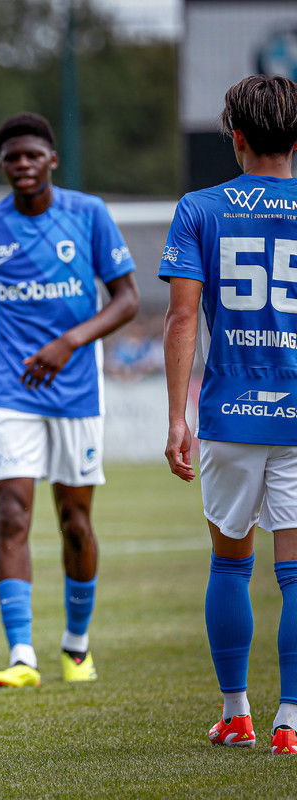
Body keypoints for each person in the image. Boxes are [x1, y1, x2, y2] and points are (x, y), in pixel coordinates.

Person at [0, 112, 139, 688]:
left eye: (33, 155)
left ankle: (77, 647)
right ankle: (21, 656)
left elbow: (128, 299)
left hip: (78, 393)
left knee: (75, 523)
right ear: (2, 165)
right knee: (12, 514)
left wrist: (70, 341)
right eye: (12, 157)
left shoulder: (88, 215)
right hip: (11, 392)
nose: (23, 165)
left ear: (51, 160)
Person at [161, 74, 297, 753]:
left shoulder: (198, 208)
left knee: (231, 568)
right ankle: (292, 723)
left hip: (230, 412)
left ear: (235, 136)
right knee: (296, 572)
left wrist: (176, 418)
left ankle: (237, 713)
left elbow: (183, 317)